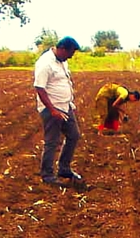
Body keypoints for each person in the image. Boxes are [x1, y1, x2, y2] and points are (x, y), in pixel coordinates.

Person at [34, 36, 83, 187]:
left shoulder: (62, 61)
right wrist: (52, 110)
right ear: (62, 49)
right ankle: (47, 175)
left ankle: (64, 168)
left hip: (66, 107)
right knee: (52, 142)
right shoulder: (45, 63)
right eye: (70, 53)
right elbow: (39, 88)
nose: (71, 56)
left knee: (74, 135)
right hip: (52, 109)